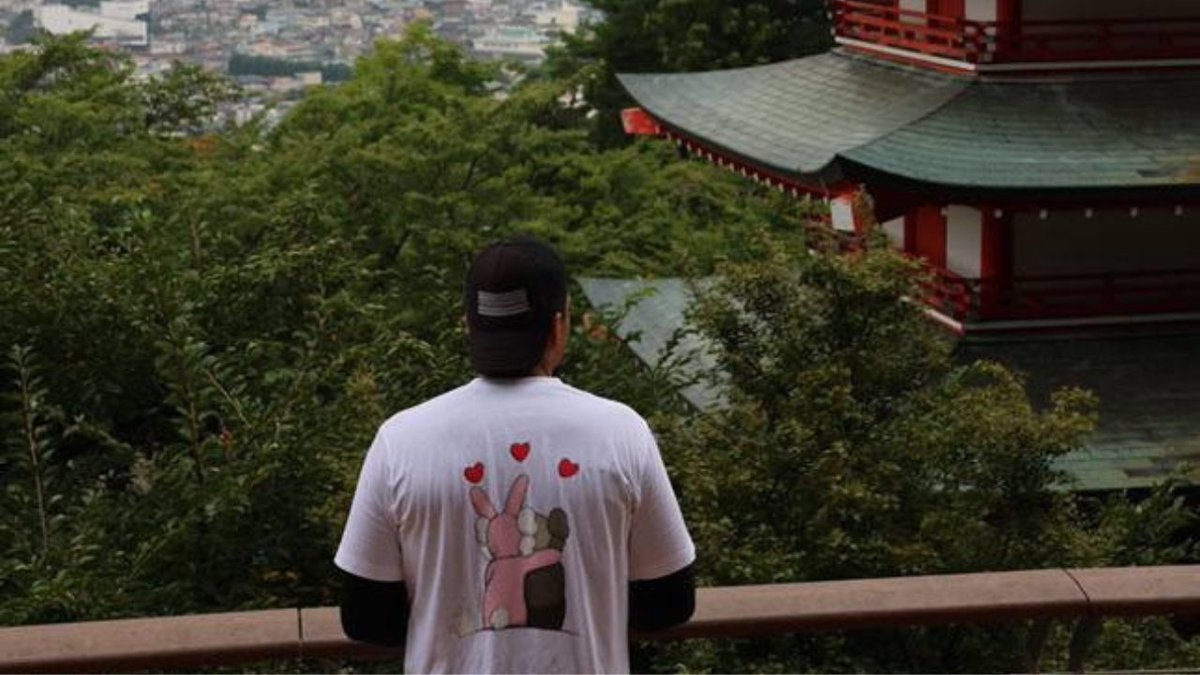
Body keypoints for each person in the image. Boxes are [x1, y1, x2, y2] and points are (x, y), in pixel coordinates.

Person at [334, 235, 696, 673]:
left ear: (470, 326)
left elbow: (366, 618)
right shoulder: (621, 432)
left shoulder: (401, 439)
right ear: (558, 327)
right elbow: (669, 603)